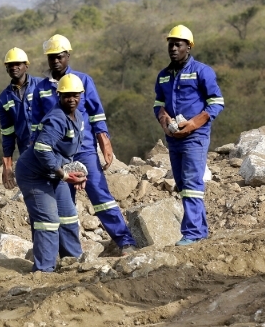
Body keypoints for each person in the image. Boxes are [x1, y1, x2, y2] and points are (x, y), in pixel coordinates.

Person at [30, 35, 138, 255]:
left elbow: (96, 114)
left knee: (99, 194)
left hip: (84, 149)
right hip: (59, 155)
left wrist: (104, 142)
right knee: (64, 203)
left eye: (59, 57)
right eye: (51, 58)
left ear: (68, 56)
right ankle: (68, 253)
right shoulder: (40, 88)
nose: (55, 62)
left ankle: (125, 241)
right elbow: (36, 125)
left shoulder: (83, 81)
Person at [154, 25, 224, 246]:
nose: (173, 48)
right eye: (171, 44)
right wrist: (164, 119)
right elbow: (158, 104)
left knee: (193, 182)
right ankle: (200, 231)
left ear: (188, 47)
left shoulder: (202, 71)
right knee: (183, 184)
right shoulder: (163, 76)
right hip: (173, 138)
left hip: (196, 137)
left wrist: (193, 124)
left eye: (178, 44)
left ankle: (192, 233)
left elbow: (216, 103)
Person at [15, 74, 88, 272]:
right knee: (48, 221)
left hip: (54, 172)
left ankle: (72, 262)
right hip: (34, 174)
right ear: (59, 95)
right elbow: (42, 148)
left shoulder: (78, 117)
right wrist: (63, 175)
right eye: (67, 96)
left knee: (68, 216)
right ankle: (44, 271)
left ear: (81, 95)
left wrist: (76, 172)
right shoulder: (56, 118)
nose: (71, 99)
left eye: (75, 95)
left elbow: (67, 151)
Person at [0, 47, 44, 189]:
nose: (14, 67)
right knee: (35, 190)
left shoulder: (42, 86)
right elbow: (7, 134)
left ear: (26, 66)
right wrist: (7, 165)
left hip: (50, 148)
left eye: (18, 64)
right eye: (10, 65)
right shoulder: (4, 98)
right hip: (27, 151)